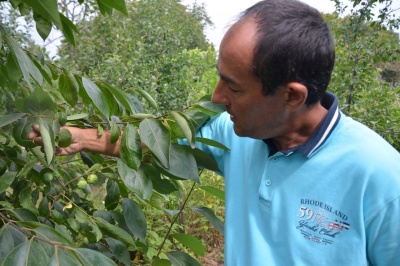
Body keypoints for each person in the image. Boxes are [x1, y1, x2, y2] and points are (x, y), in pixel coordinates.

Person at [30, 0, 400, 265]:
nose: (216, 98)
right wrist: (78, 136)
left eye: (233, 87)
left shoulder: (382, 177)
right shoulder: (234, 132)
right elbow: (153, 142)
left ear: (291, 96)